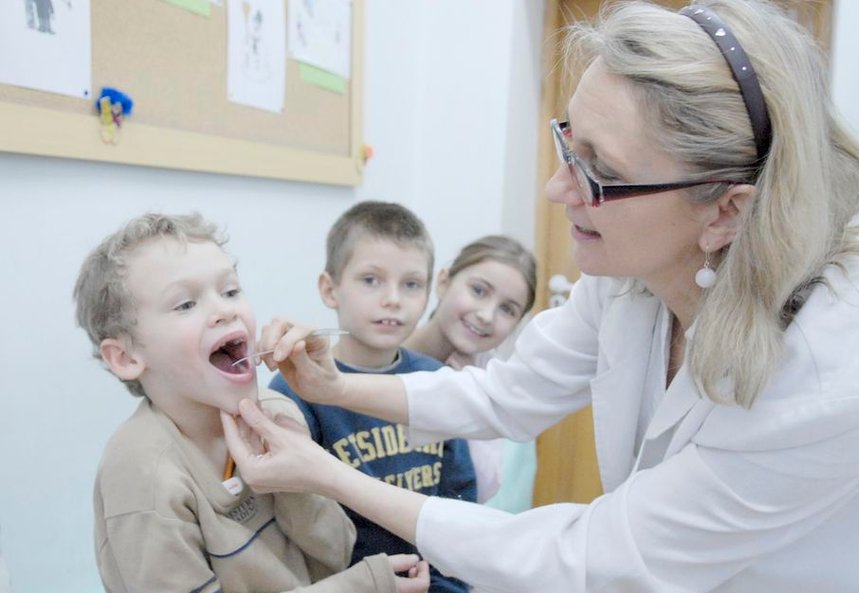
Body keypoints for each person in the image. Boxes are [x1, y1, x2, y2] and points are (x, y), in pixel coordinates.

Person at [223, 1, 859, 592]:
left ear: (725, 210)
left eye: (597, 171)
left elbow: (595, 558)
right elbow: (506, 395)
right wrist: (337, 384)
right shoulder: (633, 274)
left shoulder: (840, 364)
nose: (557, 187)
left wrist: (329, 475)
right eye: (568, 142)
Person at [73, 212, 429, 593]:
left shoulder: (276, 411)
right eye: (185, 305)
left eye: (230, 292)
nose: (226, 311)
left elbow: (336, 551)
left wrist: (296, 477)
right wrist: (360, 587)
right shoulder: (141, 475)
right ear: (126, 358)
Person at [268, 201, 476, 593]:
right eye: (371, 280)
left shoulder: (434, 381)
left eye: (411, 284)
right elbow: (296, 520)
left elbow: (459, 496)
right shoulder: (296, 389)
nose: (393, 299)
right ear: (330, 290)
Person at [404, 235, 537, 508]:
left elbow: (488, 491)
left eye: (507, 309)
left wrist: (468, 388)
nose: (487, 315)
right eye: (478, 291)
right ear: (443, 282)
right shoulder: (385, 354)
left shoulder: (499, 386)